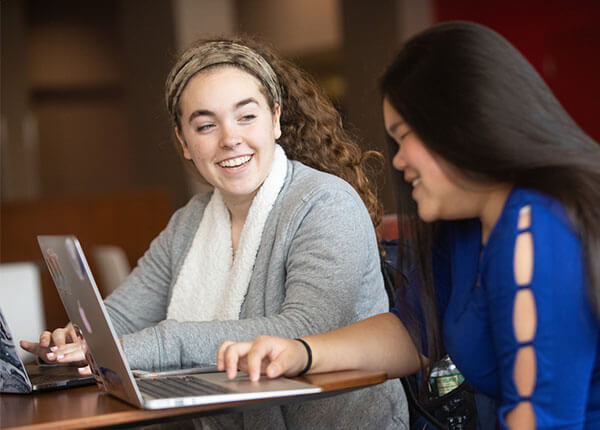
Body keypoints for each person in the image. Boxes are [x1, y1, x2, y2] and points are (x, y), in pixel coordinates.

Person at [218, 21, 600, 429]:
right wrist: (300, 352)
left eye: (404, 137)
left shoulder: (536, 227)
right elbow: (413, 331)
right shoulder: (467, 225)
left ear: (461, 124)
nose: (398, 161)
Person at [21, 37, 408, 428]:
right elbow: (123, 315)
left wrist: (161, 343)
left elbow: (306, 331)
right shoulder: (190, 221)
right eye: (206, 125)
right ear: (184, 142)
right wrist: (80, 340)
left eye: (246, 117)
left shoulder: (325, 203)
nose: (229, 139)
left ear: (275, 119)